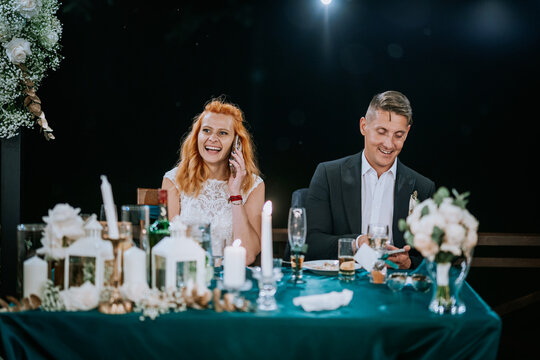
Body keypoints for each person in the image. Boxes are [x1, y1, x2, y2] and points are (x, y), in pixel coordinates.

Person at [305, 90, 435, 269]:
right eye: (382, 132)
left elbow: (432, 258)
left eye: (398, 135)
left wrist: (409, 262)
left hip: (394, 290)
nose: (389, 144)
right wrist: (356, 243)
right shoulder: (329, 174)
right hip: (341, 286)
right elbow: (310, 243)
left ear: (407, 133)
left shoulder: (423, 187)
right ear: (363, 126)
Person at [161, 97, 264, 265]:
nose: (212, 138)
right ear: (197, 136)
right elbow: (170, 244)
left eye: (223, 133)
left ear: (236, 143)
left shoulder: (254, 185)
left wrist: (235, 192)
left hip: (232, 279)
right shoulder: (174, 180)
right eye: (207, 130)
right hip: (188, 277)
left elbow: (247, 256)